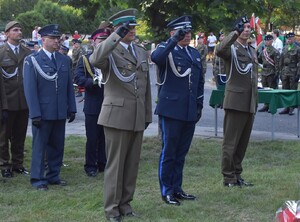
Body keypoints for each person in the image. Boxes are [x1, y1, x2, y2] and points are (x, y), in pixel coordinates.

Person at [89, 8, 152, 222]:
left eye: (133, 26)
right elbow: (95, 59)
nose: (132, 30)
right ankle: (111, 209)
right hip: (116, 115)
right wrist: (115, 35)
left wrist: (147, 114)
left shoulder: (140, 51)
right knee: (115, 165)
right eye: (128, 27)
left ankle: (125, 204)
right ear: (117, 28)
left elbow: (146, 86)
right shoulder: (109, 50)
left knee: (131, 164)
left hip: (136, 115)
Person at [151, 15, 204, 206]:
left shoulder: (194, 53)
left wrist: (199, 104)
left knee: (181, 152)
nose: (188, 35)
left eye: (189, 31)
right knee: (169, 152)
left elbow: (199, 82)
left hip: (189, 109)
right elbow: (156, 58)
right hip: (172, 109)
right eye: (183, 32)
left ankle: (177, 188)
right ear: (173, 32)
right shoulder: (166, 50)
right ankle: (166, 191)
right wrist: (173, 40)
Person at [23, 24, 77, 191]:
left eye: (58, 38)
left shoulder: (63, 59)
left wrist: (72, 107)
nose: (57, 41)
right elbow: (30, 90)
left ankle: (53, 175)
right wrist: (35, 114)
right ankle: (38, 178)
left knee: (57, 145)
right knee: (40, 147)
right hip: (43, 112)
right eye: (53, 38)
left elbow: (69, 86)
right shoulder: (32, 60)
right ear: (43, 39)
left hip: (60, 110)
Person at [215, 15, 258, 187]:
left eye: (249, 27)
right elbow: (219, 50)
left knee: (242, 142)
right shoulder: (232, 49)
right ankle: (228, 176)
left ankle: (237, 174)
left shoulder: (250, 49)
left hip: (249, 101)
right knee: (231, 141)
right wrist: (234, 32)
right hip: (235, 101)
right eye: (244, 27)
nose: (247, 30)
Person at [74, 28, 110, 177]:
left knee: (106, 136)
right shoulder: (85, 59)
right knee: (93, 137)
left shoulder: (112, 59)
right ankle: (90, 165)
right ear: (94, 42)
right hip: (93, 102)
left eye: (105, 40)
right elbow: (78, 78)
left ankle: (103, 163)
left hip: (110, 102)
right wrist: (93, 82)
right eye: (100, 40)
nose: (102, 43)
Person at [0, 21, 32, 178]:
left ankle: (18, 164)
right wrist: (3, 106)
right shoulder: (1, 53)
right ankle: (5, 165)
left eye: (20, 30)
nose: (19, 32)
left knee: (20, 135)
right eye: (15, 30)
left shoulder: (27, 52)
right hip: (7, 102)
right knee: (3, 137)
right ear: (6, 34)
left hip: (24, 101)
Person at [278, 32, 300, 115]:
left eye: (290, 39)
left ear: (294, 39)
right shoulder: (285, 48)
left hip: (293, 71)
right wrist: (280, 71)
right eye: (288, 39)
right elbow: (281, 61)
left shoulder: (297, 49)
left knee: (292, 90)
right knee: (285, 90)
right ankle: (286, 107)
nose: (289, 40)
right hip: (285, 71)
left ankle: (292, 107)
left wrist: (298, 74)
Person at [257, 34, 280, 112]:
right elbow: (259, 59)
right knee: (265, 89)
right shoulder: (264, 51)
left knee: (271, 89)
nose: (266, 42)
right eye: (265, 40)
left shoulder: (275, 51)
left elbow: (277, 64)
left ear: (271, 41)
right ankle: (266, 105)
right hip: (264, 72)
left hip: (271, 72)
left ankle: (272, 105)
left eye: (268, 40)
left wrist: (276, 74)